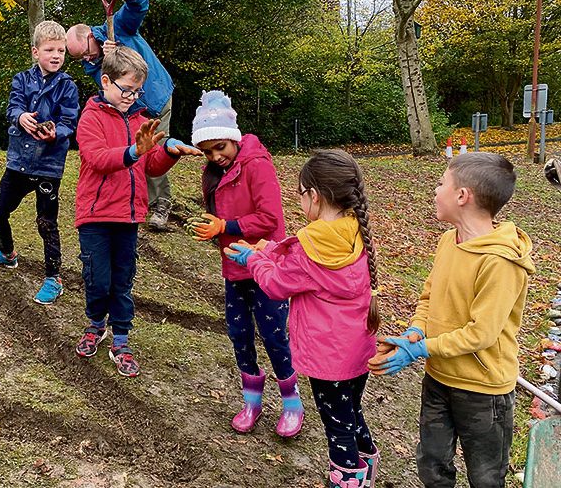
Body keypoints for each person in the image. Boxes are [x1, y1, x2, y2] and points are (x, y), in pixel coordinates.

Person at [370, 152, 534, 488]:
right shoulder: (449, 241)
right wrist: (417, 330)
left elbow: (482, 334)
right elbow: (430, 295)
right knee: (432, 466)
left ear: (463, 196)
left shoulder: (500, 262)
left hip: (484, 393)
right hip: (439, 380)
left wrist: (420, 350)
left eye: (441, 183)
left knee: (486, 477)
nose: (435, 190)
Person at [226, 150, 381, 487]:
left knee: (337, 426)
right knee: (351, 412)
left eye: (298, 192)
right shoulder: (354, 229)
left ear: (313, 195)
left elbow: (276, 284)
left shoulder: (311, 242)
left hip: (328, 357)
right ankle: (366, 466)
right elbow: (291, 254)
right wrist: (266, 250)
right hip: (359, 349)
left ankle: (346, 479)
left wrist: (254, 261)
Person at [73, 46, 200, 377]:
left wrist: (170, 151)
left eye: (137, 90)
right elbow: (98, 158)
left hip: (128, 218)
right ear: (105, 81)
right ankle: (96, 324)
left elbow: (152, 166)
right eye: (126, 89)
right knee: (97, 280)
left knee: (123, 279)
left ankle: (122, 338)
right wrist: (133, 150)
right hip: (95, 217)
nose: (132, 96)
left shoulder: (143, 121)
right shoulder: (91, 118)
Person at [185, 91, 303, 436]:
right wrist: (214, 229)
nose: (215, 156)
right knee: (239, 333)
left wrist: (226, 227)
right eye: (208, 151)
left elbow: (268, 218)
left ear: (233, 138)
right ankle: (252, 399)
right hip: (235, 265)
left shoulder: (257, 165)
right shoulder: (214, 173)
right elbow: (221, 215)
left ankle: (291, 400)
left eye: (220, 147)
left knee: (273, 334)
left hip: (267, 265)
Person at [0, 21, 79, 305]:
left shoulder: (68, 86)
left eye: (61, 50)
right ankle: (7, 255)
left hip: (48, 166)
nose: (56, 55)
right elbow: (13, 107)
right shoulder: (21, 79)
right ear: (36, 52)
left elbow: (70, 122)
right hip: (18, 163)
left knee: (46, 223)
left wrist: (56, 132)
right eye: (50, 49)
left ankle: (53, 277)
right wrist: (20, 117)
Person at [66, 0, 175, 231]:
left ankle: (161, 204)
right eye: (80, 57)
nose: (87, 58)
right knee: (134, 151)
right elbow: (108, 87)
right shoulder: (93, 64)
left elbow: (140, 4)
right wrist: (106, 60)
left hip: (155, 97)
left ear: (91, 35)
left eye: (87, 51)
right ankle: (137, 200)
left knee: (153, 151)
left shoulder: (120, 27)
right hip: (130, 108)